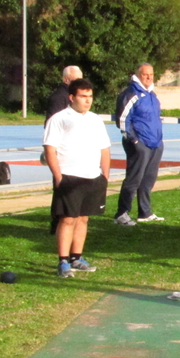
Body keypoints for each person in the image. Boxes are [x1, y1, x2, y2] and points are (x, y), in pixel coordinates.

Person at [42, 78, 111, 278]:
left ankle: (76, 258)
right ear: (72, 97)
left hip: (92, 177)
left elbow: (104, 150)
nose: (87, 100)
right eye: (83, 96)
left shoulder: (95, 119)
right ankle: (63, 261)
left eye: (90, 96)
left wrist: (104, 176)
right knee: (68, 219)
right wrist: (58, 176)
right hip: (69, 177)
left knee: (83, 218)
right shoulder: (60, 118)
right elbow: (50, 149)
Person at [114, 63, 165, 226]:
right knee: (134, 179)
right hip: (139, 144)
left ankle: (145, 212)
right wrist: (134, 140)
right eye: (145, 75)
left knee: (148, 179)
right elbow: (122, 120)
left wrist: (159, 140)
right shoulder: (130, 94)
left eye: (151, 74)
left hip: (155, 143)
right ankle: (122, 213)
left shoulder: (152, 95)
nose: (149, 77)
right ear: (138, 75)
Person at [45, 65, 83, 234]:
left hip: (74, 150)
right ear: (66, 80)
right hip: (62, 151)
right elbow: (53, 125)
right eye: (76, 80)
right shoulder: (59, 98)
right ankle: (57, 223)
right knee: (61, 188)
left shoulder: (74, 98)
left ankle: (69, 220)